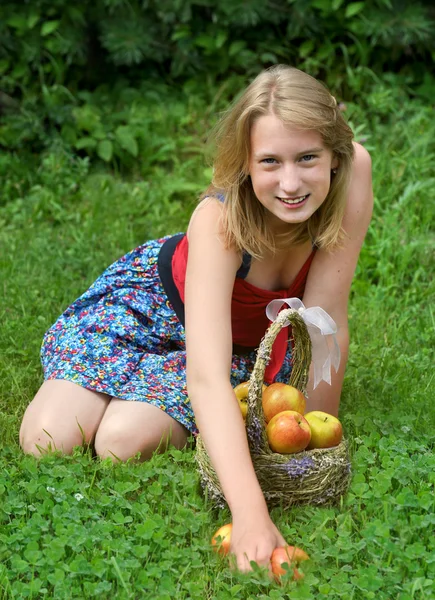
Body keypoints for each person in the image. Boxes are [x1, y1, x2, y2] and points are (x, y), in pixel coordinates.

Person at [19, 65, 373, 573]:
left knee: (120, 444)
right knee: (46, 439)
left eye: (308, 158)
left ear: (336, 157)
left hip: (240, 346)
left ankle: (137, 396)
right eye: (269, 161)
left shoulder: (353, 171)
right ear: (246, 163)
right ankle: (123, 378)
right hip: (155, 309)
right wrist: (251, 515)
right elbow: (206, 378)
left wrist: (311, 437)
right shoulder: (220, 218)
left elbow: (324, 313)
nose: (291, 182)